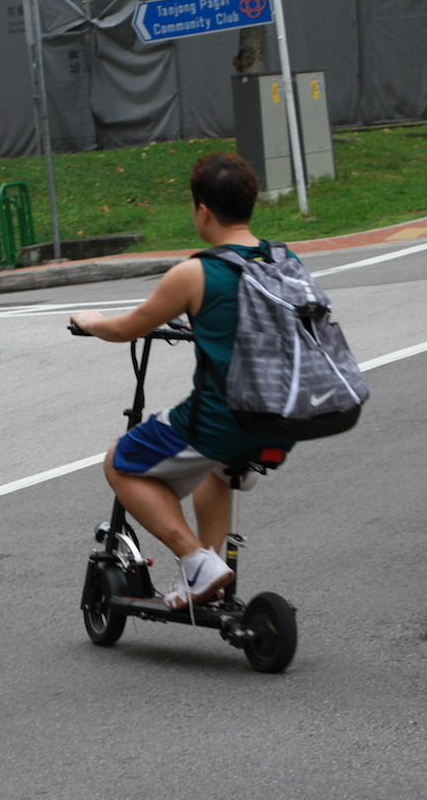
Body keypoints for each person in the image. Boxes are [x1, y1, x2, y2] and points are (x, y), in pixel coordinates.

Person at [70, 152, 294, 612]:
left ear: (203, 211)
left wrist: (92, 321)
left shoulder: (196, 271)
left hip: (222, 419)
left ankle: (196, 561)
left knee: (120, 461)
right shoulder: (282, 259)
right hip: (281, 416)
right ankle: (208, 573)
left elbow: (127, 328)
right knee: (215, 466)